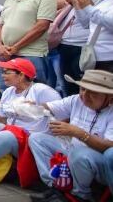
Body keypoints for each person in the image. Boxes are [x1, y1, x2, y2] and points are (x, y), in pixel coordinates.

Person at [28, 70, 113, 202]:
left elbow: (108, 148)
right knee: (37, 139)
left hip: (99, 163)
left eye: (93, 92)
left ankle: (80, 196)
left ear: (110, 97)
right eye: (83, 89)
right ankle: (56, 187)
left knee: (80, 154)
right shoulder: (76, 100)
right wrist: (29, 106)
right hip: (73, 152)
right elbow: (49, 107)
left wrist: (78, 132)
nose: (85, 95)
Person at [0, 0, 57, 82]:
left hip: (31, 54)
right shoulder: (9, 0)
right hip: (6, 55)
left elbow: (42, 26)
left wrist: (15, 47)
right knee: (8, 93)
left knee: (32, 94)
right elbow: (0, 26)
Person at [54, 0, 107, 94]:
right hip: (66, 46)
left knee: (81, 83)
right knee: (67, 83)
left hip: (80, 47)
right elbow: (68, 0)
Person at [71, 0, 113, 72]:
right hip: (95, 56)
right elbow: (86, 23)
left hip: (109, 58)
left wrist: (87, 7)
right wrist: (76, 3)